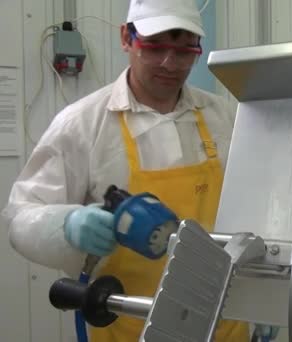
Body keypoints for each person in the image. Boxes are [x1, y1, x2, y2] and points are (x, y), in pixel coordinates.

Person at [1, 0, 249, 340]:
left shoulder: (225, 117)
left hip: (224, 327)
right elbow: (20, 217)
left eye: (184, 50)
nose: (169, 63)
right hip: (129, 325)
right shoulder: (82, 125)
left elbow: (258, 208)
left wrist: (263, 292)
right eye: (154, 47)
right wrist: (67, 225)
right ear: (126, 38)